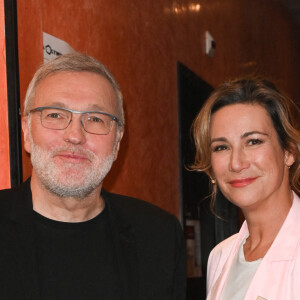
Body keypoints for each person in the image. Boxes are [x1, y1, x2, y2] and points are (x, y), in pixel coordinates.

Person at [0, 52, 186, 300]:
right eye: (55, 115)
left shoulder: (159, 236)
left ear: (118, 141)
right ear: (26, 132)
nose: (75, 135)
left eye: (95, 119)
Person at [191, 76, 300, 299]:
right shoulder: (219, 256)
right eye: (221, 147)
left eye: (253, 141)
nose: (236, 163)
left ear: (288, 151)